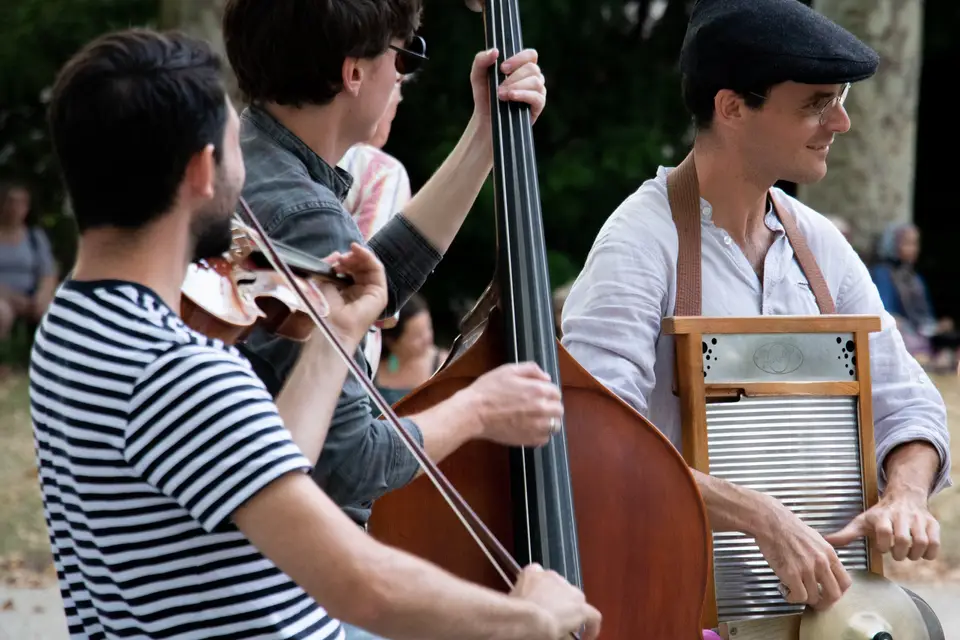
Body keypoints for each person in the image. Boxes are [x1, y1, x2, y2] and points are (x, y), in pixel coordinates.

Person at [32, 27, 601, 640]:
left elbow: (276, 466)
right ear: (202, 171)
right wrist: (530, 617)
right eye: (235, 148)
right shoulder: (184, 371)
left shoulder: (70, 324)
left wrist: (339, 334)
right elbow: (363, 587)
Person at [561, 0, 951, 617]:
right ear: (733, 107)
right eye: (817, 103)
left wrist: (904, 493)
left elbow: (910, 404)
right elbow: (594, 448)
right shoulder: (637, 245)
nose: (841, 123)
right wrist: (758, 516)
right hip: (677, 608)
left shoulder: (821, 247)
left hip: (831, 618)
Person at [223, 0, 561, 577]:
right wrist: (479, 407)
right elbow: (348, 463)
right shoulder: (305, 213)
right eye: (404, 56)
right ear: (354, 73)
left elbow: (367, 291)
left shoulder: (250, 160)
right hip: (287, 580)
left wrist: (484, 137)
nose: (403, 75)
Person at [339, 73, 414, 374]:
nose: (398, 100)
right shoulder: (381, 170)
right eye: (397, 84)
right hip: (343, 374)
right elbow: (374, 303)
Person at [870, 222, 960, 371]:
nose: (913, 249)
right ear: (892, 244)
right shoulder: (882, 273)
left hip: (921, 332)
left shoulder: (915, 278)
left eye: (915, 244)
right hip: (901, 331)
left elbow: (926, 315)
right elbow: (884, 311)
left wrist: (937, 325)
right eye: (907, 243)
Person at [0, 181, 59, 343]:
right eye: (10, 201)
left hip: (31, 298)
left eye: (21, 202)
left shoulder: (35, 237)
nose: (15, 208)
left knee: (59, 313)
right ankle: (5, 359)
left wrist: (41, 297)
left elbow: (48, 273)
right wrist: (11, 297)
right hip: (3, 297)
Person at [374, 292, 447, 408]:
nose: (427, 339)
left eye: (428, 328)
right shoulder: (370, 364)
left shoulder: (443, 364)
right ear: (391, 341)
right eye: (417, 336)